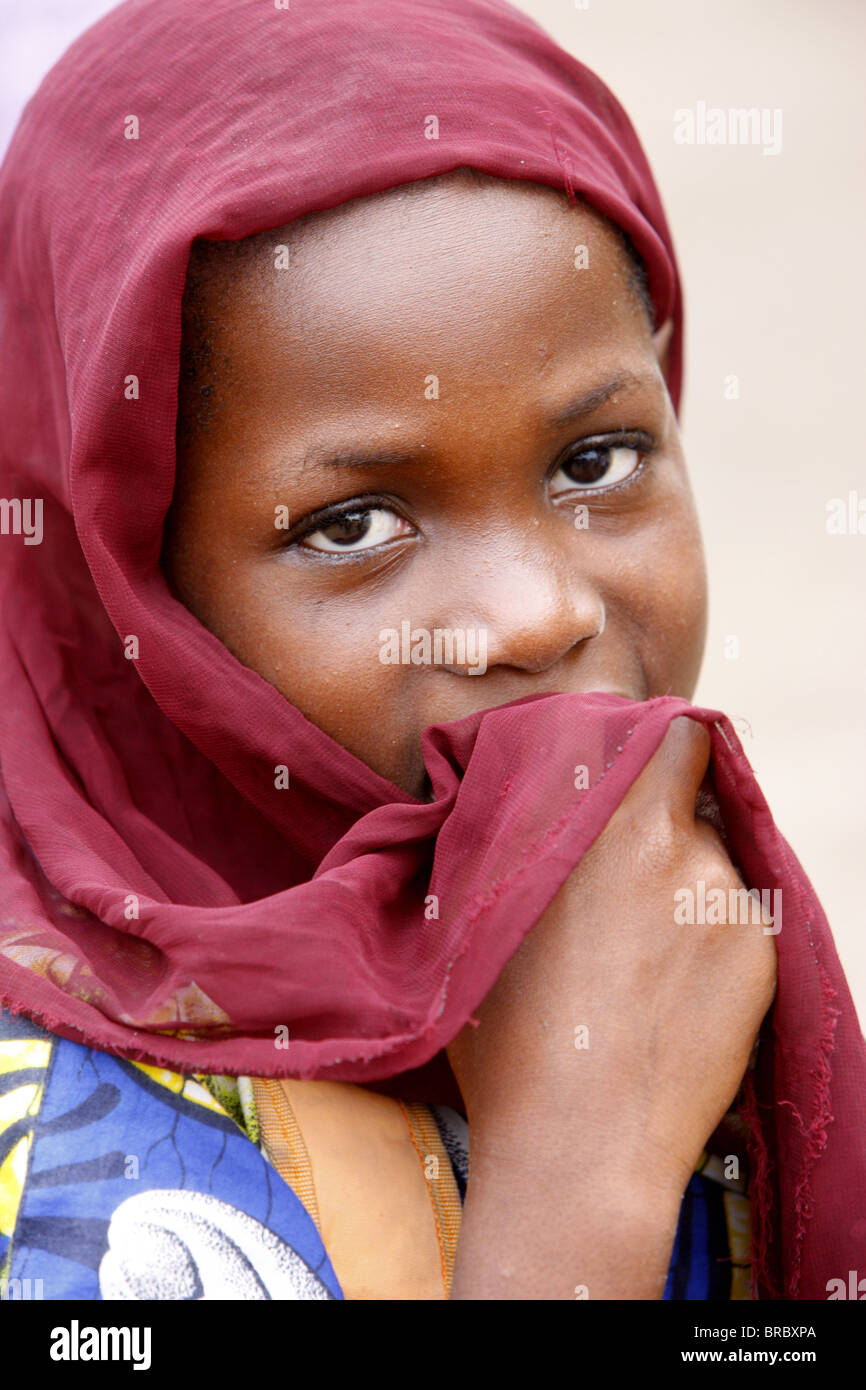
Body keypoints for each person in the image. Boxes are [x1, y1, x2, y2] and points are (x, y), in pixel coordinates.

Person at [0, 0, 863, 1302]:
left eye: (596, 459)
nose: (533, 613)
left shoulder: (677, 914)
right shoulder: (49, 1175)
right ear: (129, 596)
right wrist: (579, 1187)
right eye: (354, 523)